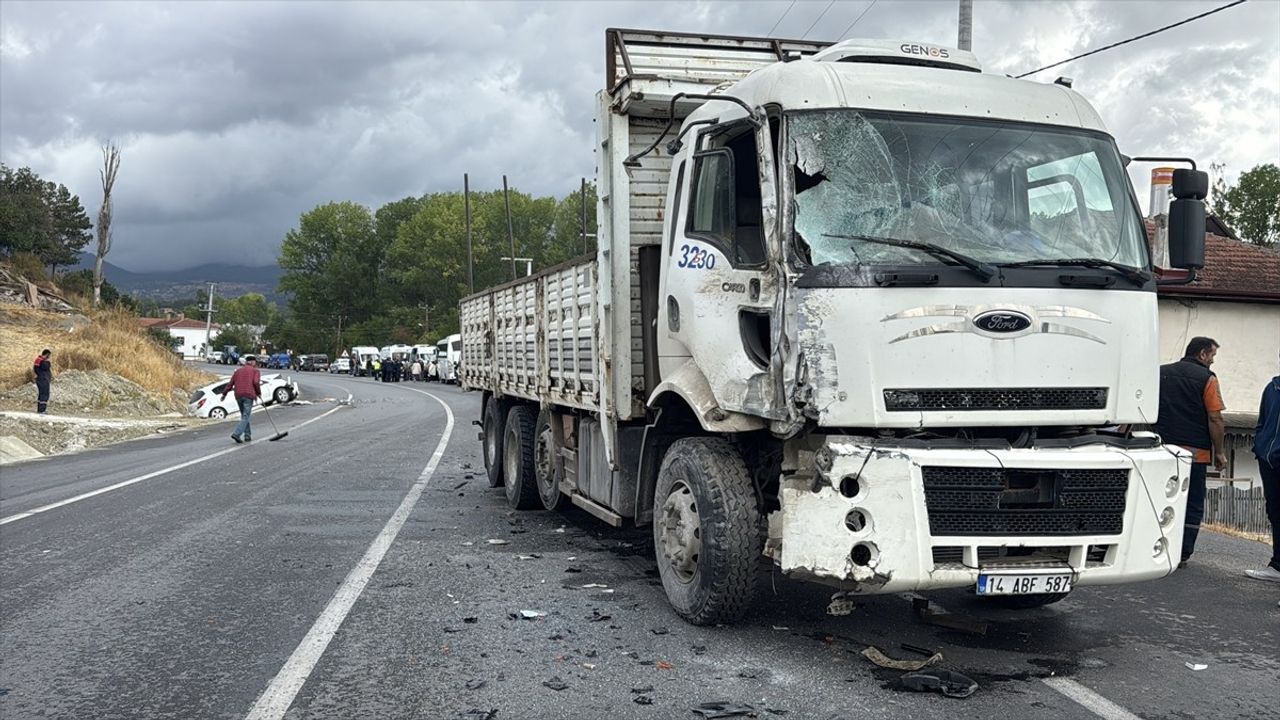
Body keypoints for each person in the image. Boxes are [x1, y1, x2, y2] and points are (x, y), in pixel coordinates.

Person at [1154, 337, 1227, 568]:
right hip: (1195, 455)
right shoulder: (1207, 379)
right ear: (1203, 354)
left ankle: (1156, 547)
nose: (1212, 362)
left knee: (1159, 499)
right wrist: (1220, 453)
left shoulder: (1161, 373)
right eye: (1212, 356)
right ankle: (1182, 553)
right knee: (1192, 504)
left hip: (1161, 450)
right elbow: (1215, 417)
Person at [1246, 370, 1280, 586]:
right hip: (1269, 459)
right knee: (1275, 512)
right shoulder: (1272, 387)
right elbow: (1263, 419)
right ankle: (1277, 566)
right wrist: (1260, 445)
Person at [221, 354, 262, 444]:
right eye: (255, 362)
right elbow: (256, 382)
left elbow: (230, 383)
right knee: (246, 416)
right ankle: (237, 433)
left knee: (244, 415)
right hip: (249, 394)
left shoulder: (238, 371)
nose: (255, 364)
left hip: (238, 395)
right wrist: (258, 393)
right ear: (252, 362)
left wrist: (224, 394)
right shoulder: (255, 371)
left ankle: (247, 436)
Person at [33, 349, 52, 413]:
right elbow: (46, 367)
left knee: (41, 394)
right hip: (43, 380)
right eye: (48, 355)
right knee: (44, 394)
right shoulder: (42, 361)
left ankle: (40, 409)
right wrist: (48, 362)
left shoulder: (38, 360)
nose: (49, 357)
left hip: (41, 379)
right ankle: (42, 410)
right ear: (47, 354)